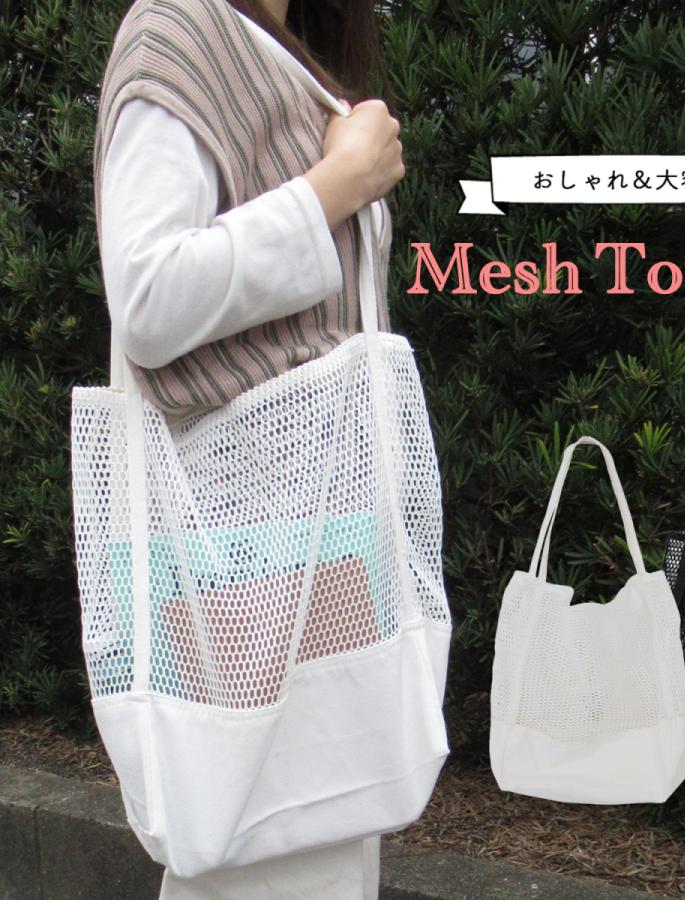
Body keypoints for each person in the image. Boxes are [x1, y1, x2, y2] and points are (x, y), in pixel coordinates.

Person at [94, 0, 406, 895]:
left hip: (315, 548)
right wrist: (335, 186)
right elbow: (148, 298)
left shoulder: (279, 53)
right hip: (245, 560)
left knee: (318, 841)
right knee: (266, 854)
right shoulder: (179, 29)